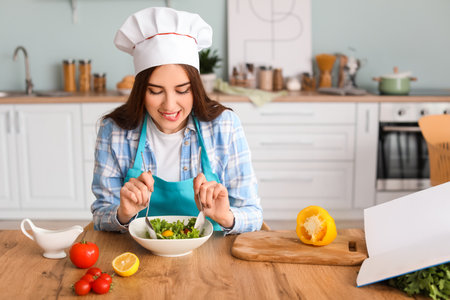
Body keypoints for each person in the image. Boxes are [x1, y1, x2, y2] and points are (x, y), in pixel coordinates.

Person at [91, 7, 263, 234]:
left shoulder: (225, 126)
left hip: (210, 256)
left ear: (196, 88)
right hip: (139, 255)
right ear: (140, 90)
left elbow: (253, 214)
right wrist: (122, 214)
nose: (170, 106)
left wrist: (227, 216)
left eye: (182, 90)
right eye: (155, 91)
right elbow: (100, 214)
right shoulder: (114, 131)